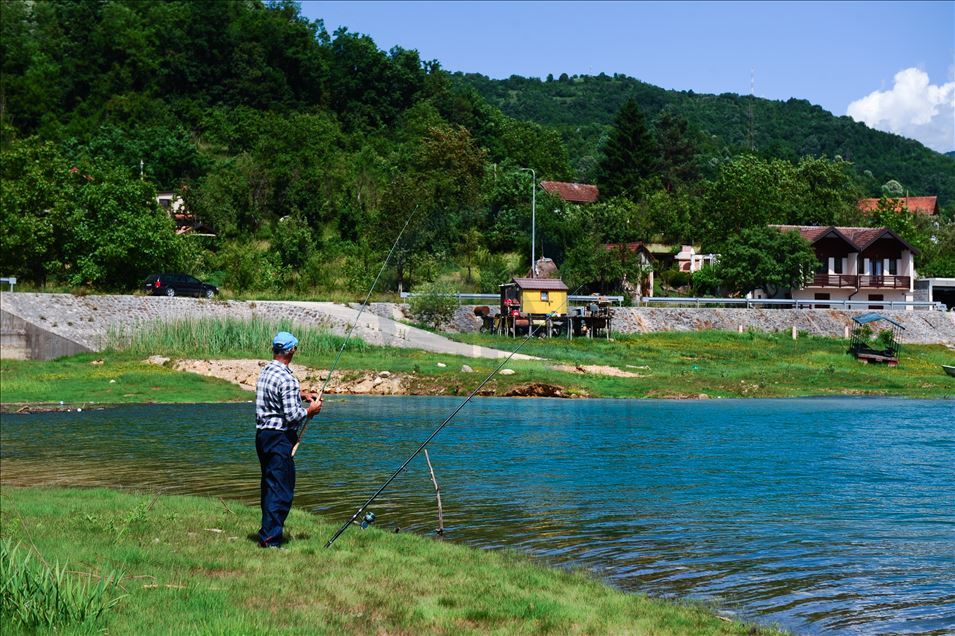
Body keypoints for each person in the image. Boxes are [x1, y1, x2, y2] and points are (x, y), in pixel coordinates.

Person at [255, 331, 322, 548]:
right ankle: (271, 540)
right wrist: (311, 409)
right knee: (281, 490)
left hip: (263, 437)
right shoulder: (287, 378)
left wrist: (300, 395)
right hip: (280, 439)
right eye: (296, 348)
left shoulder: (266, 371)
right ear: (291, 350)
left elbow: (275, 397)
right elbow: (294, 416)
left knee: (269, 485)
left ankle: (267, 532)